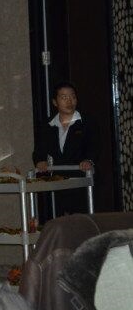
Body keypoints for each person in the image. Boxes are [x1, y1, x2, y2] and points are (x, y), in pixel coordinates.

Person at [32, 82, 96, 219]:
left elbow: (94, 146)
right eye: (64, 97)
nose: (69, 101)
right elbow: (39, 150)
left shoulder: (87, 122)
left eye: (72, 97)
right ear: (55, 102)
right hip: (58, 182)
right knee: (58, 220)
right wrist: (40, 161)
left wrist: (88, 161)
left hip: (80, 181)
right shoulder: (48, 125)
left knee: (81, 220)